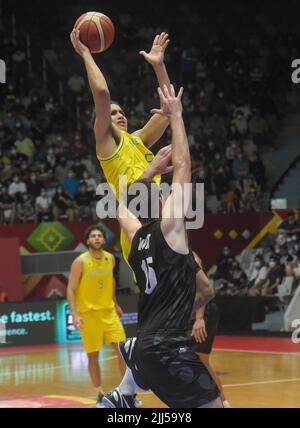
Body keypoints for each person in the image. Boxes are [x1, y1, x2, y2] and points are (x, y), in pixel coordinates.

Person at [102, 84, 220, 408]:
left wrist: (151, 171)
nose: (165, 194)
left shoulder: (138, 240)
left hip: (146, 349)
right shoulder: (172, 230)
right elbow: (183, 166)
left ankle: (123, 395)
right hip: (169, 348)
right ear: (161, 205)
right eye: (162, 195)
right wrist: (177, 117)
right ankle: (122, 396)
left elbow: (121, 209)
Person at [70, 29, 172, 264]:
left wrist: (159, 66)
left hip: (161, 215)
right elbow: (103, 94)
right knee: (161, 294)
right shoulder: (105, 143)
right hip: (139, 220)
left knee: (190, 291)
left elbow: (168, 110)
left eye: (122, 112)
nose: (119, 115)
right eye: (112, 113)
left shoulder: (136, 140)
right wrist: (86, 53)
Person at [67, 225, 126, 408]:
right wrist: (75, 314)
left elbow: (111, 281)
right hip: (89, 315)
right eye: (93, 236)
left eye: (100, 235)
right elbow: (70, 288)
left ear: (104, 240)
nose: (97, 238)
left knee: (123, 352)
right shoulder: (80, 262)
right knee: (93, 356)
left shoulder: (110, 259)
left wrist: (115, 302)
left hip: (109, 312)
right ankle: (99, 393)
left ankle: (127, 392)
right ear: (88, 241)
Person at [189, 252, 231, 408]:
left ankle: (221, 402)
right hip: (195, 311)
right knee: (200, 361)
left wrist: (199, 318)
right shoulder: (173, 255)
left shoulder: (191, 257)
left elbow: (203, 289)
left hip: (201, 311)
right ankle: (223, 403)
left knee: (198, 360)